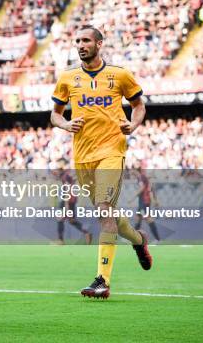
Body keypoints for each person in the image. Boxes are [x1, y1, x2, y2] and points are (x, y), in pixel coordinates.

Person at [50, 25, 153, 299]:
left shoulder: (119, 75)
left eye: (86, 40)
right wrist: (65, 124)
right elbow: (55, 114)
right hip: (82, 156)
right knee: (106, 213)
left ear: (99, 44)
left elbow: (139, 105)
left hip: (112, 150)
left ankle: (102, 281)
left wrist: (133, 124)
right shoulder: (68, 78)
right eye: (77, 41)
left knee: (105, 209)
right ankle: (139, 240)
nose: (81, 45)